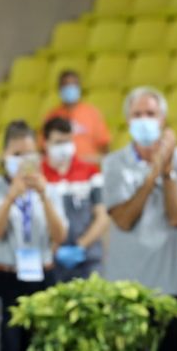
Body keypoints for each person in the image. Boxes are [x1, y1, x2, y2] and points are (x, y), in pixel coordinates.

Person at [101, 86, 177, 351]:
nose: (144, 119)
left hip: (172, 286)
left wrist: (167, 171)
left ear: (163, 119)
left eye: (151, 113)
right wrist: (153, 173)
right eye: (138, 114)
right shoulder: (113, 163)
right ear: (129, 120)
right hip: (126, 288)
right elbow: (123, 219)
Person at [0, 120, 67, 351]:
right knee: (7, 344)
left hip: (42, 277)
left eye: (29, 154)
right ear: (5, 155)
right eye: (17, 154)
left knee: (42, 344)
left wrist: (43, 196)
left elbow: (60, 237)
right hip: (4, 278)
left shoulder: (49, 191)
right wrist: (10, 198)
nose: (23, 161)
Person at [41, 117, 108, 282]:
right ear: (46, 143)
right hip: (49, 261)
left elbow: (103, 216)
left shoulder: (91, 172)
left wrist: (81, 245)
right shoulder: (38, 176)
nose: (64, 147)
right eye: (58, 142)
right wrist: (53, 249)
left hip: (87, 260)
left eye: (68, 141)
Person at [44, 70, 111, 161]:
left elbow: (104, 145)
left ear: (79, 87)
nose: (70, 88)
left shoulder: (92, 113)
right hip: (61, 168)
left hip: (89, 167)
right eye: (66, 85)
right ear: (59, 88)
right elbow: (44, 148)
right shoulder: (52, 116)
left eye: (73, 84)